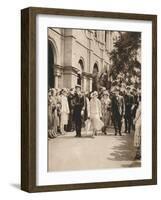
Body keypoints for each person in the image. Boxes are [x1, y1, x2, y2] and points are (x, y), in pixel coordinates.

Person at [133, 95, 141, 160]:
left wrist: (134, 120)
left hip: (139, 123)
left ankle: (138, 154)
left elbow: (137, 114)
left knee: (138, 138)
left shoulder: (141, 105)